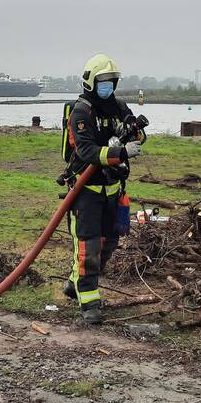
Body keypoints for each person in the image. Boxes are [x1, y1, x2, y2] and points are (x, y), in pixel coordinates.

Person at [62, 54, 145, 324]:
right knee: (88, 247)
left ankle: (75, 282)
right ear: (91, 81)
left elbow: (137, 134)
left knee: (111, 242)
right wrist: (120, 153)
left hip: (114, 190)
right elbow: (86, 151)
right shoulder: (82, 112)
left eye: (112, 81)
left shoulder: (119, 106)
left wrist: (136, 134)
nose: (108, 86)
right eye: (103, 82)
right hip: (86, 191)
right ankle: (89, 303)